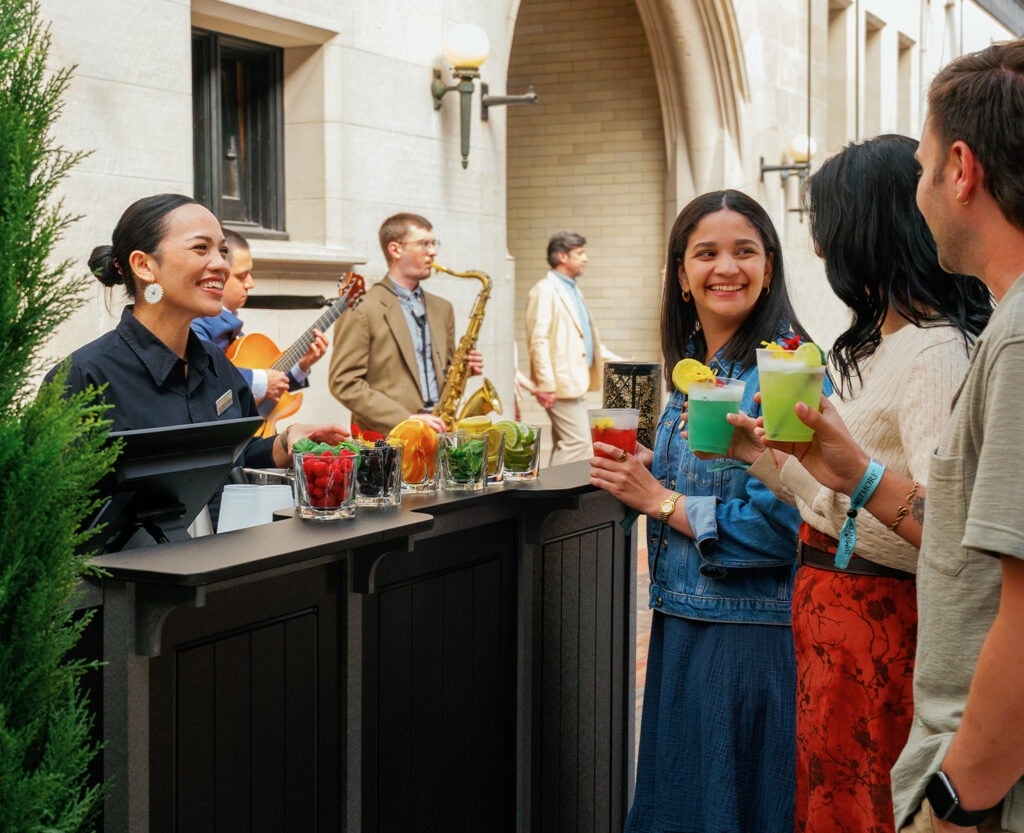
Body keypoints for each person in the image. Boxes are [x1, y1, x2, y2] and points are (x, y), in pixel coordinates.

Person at [754, 41, 1024, 833]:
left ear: (962, 169)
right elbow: (965, 541)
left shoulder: (986, 342)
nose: (920, 190)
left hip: (961, 765)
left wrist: (954, 800)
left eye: (923, 167)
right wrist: (841, 471)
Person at [714, 135, 991, 833]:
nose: (817, 251)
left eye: (826, 230)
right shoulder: (885, 345)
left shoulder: (932, 351)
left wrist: (859, 475)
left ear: (866, 234)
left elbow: (946, 530)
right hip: (837, 628)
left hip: (879, 632)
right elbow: (835, 504)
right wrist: (760, 455)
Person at [590, 190, 814, 832]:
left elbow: (785, 524)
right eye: (706, 253)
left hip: (748, 639)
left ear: (769, 266)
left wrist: (657, 498)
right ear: (682, 276)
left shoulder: (786, 374)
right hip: (683, 624)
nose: (726, 268)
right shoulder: (694, 374)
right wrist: (638, 471)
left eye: (745, 251)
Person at [45, 193, 348, 472]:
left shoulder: (217, 365)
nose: (221, 265)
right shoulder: (83, 379)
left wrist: (286, 442)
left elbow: (234, 461)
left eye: (223, 250)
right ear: (144, 266)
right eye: (201, 248)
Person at [327, 212, 482, 438]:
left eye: (433, 243)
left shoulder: (443, 308)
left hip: (439, 429)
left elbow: (444, 372)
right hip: (387, 440)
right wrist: (405, 419)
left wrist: (464, 370)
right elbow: (344, 382)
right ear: (395, 249)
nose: (433, 252)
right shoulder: (361, 307)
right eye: (423, 244)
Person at [191, 229, 328, 405]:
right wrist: (263, 381)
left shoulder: (230, 325)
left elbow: (264, 397)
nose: (250, 283)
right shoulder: (195, 322)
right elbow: (207, 377)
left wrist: (301, 365)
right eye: (241, 276)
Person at [525, 231, 621, 465]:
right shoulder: (545, 290)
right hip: (560, 384)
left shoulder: (571, 288)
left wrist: (619, 359)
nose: (585, 258)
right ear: (562, 256)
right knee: (579, 444)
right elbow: (538, 340)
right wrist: (546, 385)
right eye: (579, 253)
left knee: (564, 443)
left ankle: (552, 496)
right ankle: (555, 496)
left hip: (575, 382)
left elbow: (585, 338)